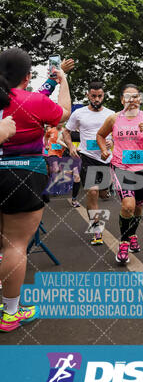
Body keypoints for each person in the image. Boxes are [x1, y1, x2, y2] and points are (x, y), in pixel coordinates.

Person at [0, 48, 70, 332]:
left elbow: (34, 92)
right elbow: (63, 113)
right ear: (27, 76)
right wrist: (63, 82)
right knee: (15, 245)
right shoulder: (32, 101)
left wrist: (51, 80)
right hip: (23, 174)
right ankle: (11, 312)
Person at [97, 85, 143, 263]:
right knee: (128, 206)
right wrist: (104, 149)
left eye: (135, 97)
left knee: (139, 206)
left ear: (140, 99)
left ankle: (132, 235)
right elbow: (100, 135)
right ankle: (124, 243)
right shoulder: (113, 118)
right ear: (122, 100)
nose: (132, 100)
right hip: (121, 166)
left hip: (142, 167)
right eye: (128, 97)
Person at [63, 81, 114, 244]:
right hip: (88, 157)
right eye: (93, 96)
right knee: (92, 192)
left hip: (106, 158)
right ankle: (97, 230)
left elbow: (118, 134)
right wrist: (71, 146)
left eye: (100, 96)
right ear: (88, 95)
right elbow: (66, 131)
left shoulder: (111, 114)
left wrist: (112, 142)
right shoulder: (79, 113)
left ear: (104, 95)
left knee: (103, 193)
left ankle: (106, 189)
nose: (97, 99)